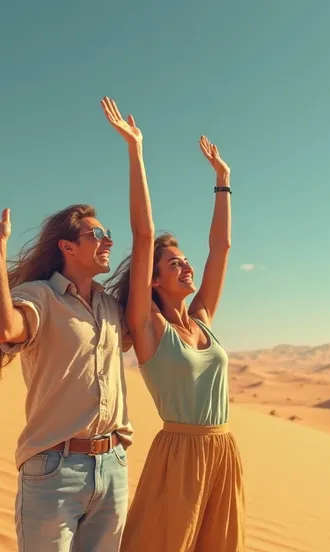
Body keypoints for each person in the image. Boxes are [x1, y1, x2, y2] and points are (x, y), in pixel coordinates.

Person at [0, 194, 134, 552]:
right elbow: (5, 329)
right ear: (67, 246)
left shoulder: (109, 306)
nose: (108, 240)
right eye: (97, 235)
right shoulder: (40, 296)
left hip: (112, 467)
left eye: (107, 233)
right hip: (54, 469)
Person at [100, 96, 245, 551]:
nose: (186, 268)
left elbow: (220, 249)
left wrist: (223, 183)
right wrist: (135, 151)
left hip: (224, 450)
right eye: (174, 264)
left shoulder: (202, 317)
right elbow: (144, 234)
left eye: (185, 261)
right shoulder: (148, 328)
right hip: (178, 457)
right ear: (154, 279)